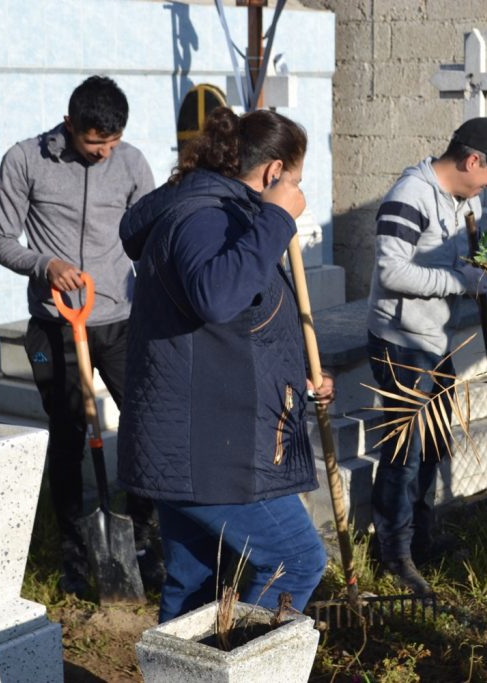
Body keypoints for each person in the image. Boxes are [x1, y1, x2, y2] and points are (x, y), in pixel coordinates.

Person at [117, 106, 331, 622]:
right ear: (274, 171)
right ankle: (247, 660)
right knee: (296, 560)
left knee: (195, 585)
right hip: (209, 450)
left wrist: (295, 377)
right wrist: (277, 218)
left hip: (200, 438)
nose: (298, 193)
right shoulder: (205, 217)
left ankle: (183, 665)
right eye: (296, 180)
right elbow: (217, 297)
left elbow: (234, 323)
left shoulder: (220, 213)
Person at [0, 75, 161, 597]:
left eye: (113, 142)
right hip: (55, 324)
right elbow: (0, 240)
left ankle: (142, 536)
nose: (105, 152)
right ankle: (74, 552)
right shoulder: (24, 160)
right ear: (69, 125)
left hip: (120, 320)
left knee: (147, 420)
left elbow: (152, 235)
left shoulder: (131, 163)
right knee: (66, 435)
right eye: (94, 143)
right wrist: (45, 264)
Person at [366, 117, 487, 594]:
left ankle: (420, 538)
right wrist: (457, 282)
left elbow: (475, 275)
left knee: (435, 444)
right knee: (404, 452)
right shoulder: (409, 196)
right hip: (401, 342)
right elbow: (391, 271)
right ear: (473, 160)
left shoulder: (466, 202)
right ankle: (393, 555)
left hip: (435, 341)